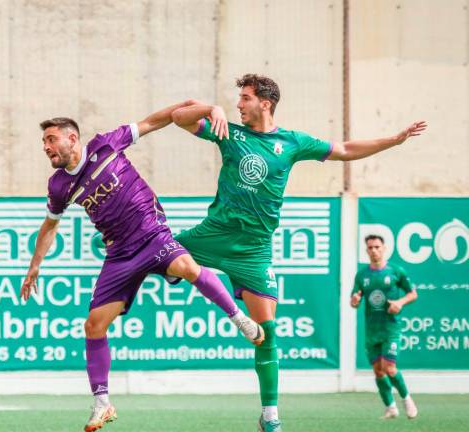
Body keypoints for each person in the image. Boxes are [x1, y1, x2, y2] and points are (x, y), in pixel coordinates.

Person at [170, 73, 427, 432]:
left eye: (245, 98)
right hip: (213, 234)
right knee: (151, 247)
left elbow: (345, 150)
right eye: (237, 99)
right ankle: (162, 269)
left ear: (265, 102)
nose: (238, 105)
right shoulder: (227, 130)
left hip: (254, 252)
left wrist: (393, 141)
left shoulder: (292, 142)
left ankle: (270, 416)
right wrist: (208, 108)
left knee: (267, 332)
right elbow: (178, 118)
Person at [20, 102, 265, 432]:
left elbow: (157, 119)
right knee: (94, 326)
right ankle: (103, 403)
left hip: (152, 235)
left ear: (72, 138)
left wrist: (211, 108)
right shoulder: (58, 186)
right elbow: (49, 226)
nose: (47, 147)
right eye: (44, 143)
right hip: (120, 255)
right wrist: (34, 266)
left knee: (189, 268)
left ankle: (239, 319)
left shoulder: (106, 144)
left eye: (51, 139)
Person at [351, 234, 418, 420]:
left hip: (391, 328)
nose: (374, 250)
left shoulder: (396, 271)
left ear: (384, 248)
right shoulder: (362, 275)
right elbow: (354, 301)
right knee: (378, 371)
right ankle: (391, 407)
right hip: (372, 330)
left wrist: (400, 302)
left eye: (377, 247)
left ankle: (406, 399)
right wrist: (355, 300)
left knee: (389, 368)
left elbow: (413, 294)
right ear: (366, 250)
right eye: (370, 247)